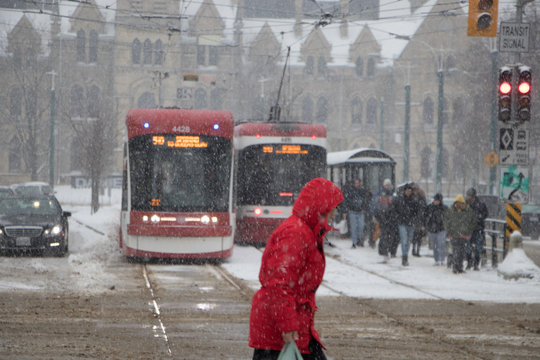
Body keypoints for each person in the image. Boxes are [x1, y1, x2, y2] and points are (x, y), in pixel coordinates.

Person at [249, 177, 344, 360]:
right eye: (334, 205)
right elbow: (279, 282)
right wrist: (287, 324)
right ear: (322, 206)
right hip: (280, 330)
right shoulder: (296, 233)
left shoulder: (305, 231)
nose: (336, 211)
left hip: (291, 325)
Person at [443, 195, 477, 274]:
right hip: (454, 234)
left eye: (460, 203)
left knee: (461, 252)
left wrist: (469, 230)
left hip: (463, 235)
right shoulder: (451, 211)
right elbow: (446, 221)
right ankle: (456, 266)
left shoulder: (468, 211)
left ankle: (459, 266)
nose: (459, 205)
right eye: (457, 203)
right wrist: (449, 229)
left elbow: (473, 221)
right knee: (456, 251)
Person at [393, 183, 422, 266]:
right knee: (404, 240)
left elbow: (417, 212)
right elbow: (395, 210)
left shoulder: (414, 200)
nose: (408, 192)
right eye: (407, 190)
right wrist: (398, 218)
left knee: (409, 241)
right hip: (402, 223)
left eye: (410, 191)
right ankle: (404, 256)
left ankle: (405, 254)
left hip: (410, 223)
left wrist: (415, 220)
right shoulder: (400, 199)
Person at [465, 188, 489, 271]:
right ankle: (469, 262)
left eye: (468, 195)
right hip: (468, 229)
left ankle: (476, 264)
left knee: (478, 248)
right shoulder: (465, 204)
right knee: (467, 247)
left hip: (478, 229)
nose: (467, 197)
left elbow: (485, 214)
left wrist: (479, 218)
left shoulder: (480, 204)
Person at [343, 178, 369, 248]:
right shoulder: (350, 191)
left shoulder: (362, 191)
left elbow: (366, 199)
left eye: (358, 183)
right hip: (352, 211)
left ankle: (359, 239)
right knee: (354, 227)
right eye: (355, 183)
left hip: (361, 211)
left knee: (361, 227)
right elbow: (346, 201)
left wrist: (365, 208)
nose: (357, 184)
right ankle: (354, 242)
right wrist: (345, 211)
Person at [373, 187, 398, 263]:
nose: (385, 198)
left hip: (391, 224)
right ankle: (385, 253)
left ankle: (388, 251)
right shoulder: (379, 204)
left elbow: (395, 213)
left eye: (386, 197)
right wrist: (379, 220)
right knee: (384, 238)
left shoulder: (392, 204)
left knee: (390, 238)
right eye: (384, 197)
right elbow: (377, 213)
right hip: (383, 224)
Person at [424, 193, 448, 266]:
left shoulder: (444, 208)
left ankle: (442, 259)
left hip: (441, 229)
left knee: (441, 244)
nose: (436, 202)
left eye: (437, 200)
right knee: (434, 245)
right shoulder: (429, 207)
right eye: (435, 200)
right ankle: (436, 259)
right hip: (432, 229)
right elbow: (425, 216)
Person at [411, 184, 427, 257]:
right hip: (415, 218)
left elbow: (424, 207)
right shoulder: (413, 197)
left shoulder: (421, 197)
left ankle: (417, 250)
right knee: (415, 235)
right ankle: (414, 249)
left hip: (419, 218)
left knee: (418, 236)